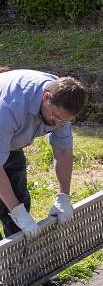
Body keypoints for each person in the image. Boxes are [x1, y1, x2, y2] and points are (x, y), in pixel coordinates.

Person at [0, 69, 87, 239]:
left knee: (18, 199)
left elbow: (62, 151)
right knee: (13, 208)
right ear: (46, 98)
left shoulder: (63, 102)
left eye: (65, 120)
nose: (58, 125)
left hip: (10, 140)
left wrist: (63, 198)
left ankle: (20, 261)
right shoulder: (10, 108)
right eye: (55, 118)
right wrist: (16, 211)